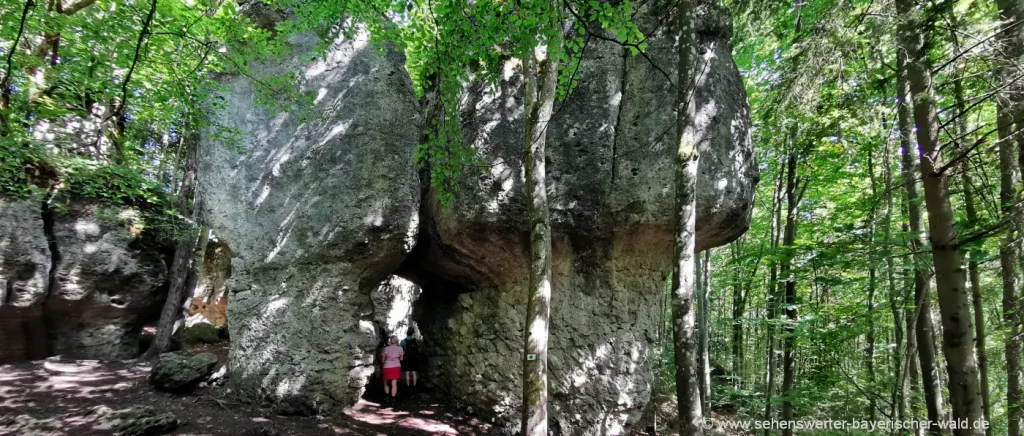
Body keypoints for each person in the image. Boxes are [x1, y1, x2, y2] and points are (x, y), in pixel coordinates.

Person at [381, 335, 404, 404]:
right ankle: (393, 399)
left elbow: (383, 359)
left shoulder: (386, 348)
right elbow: (401, 359)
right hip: (396, 366)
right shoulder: (400, 348)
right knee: (394, 383)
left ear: (390, 341)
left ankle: (387, 397)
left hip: (387, 366)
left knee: (385, 383)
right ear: (397, 341)